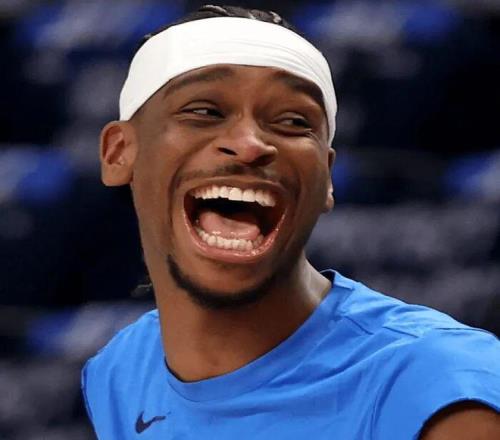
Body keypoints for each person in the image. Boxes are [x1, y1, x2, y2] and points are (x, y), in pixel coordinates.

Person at [81, 5, 500, 439]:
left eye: (293, 121)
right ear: (118, 153)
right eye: (204, 111)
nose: (249, 145)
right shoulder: (119, 371)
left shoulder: (441, 386)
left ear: (327, 179)